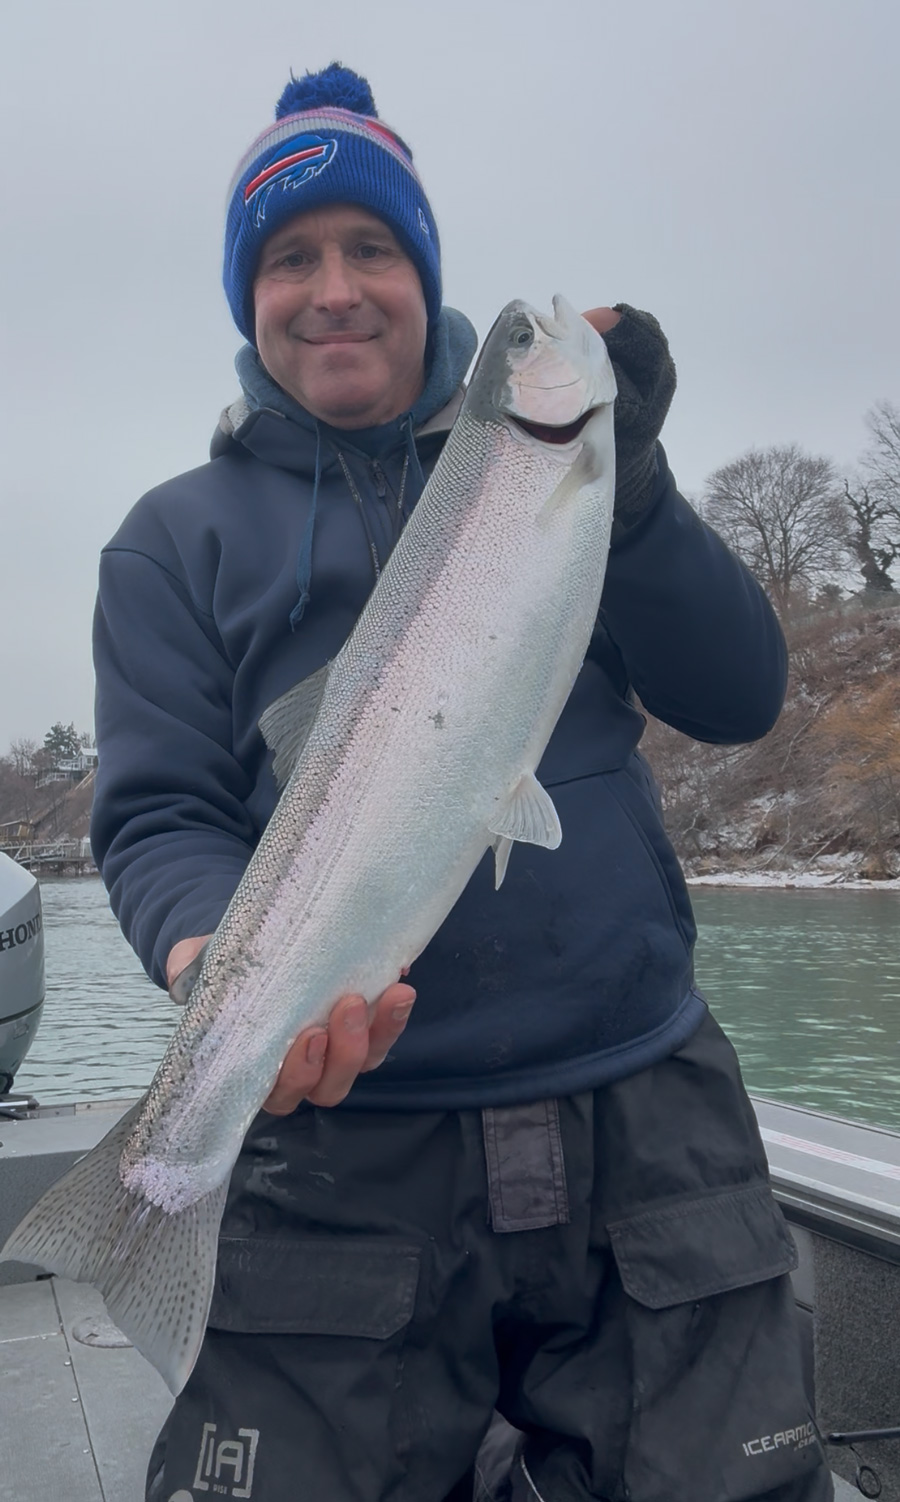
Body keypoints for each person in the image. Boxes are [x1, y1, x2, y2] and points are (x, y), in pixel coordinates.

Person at [91, 62, 833, 1502]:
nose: (335, 288)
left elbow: (740, 698)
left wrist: (641, 486)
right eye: (291, 257)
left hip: (642, 1098)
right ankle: (142, 1205)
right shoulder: (173, 539)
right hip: (340, 1145)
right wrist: (205, 959)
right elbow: (164, 811)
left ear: (427, 275)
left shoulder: (556, 483)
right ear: (248, 299)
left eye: (374, 247)